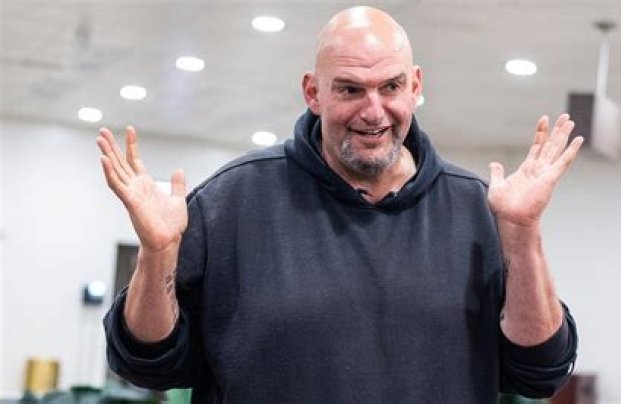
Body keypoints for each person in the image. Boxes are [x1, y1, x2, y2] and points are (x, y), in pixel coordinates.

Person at [99, 6, 582, 403]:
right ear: (313, 92)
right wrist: (157, 254)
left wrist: (523, 235)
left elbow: (540, 369)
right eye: (350, 89)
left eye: (391, 86)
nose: (373, 111)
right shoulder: (232, 200)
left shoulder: (476, 209)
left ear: (416, 86)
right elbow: (146, 361)